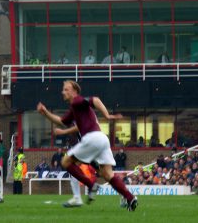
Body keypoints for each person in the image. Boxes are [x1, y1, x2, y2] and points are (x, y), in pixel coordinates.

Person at [37, 80, 138, 211]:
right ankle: (130, 198)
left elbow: (95, 100)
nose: (63, 92)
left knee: (66, 161)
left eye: (66, 89)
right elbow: (62, 121)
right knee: (107, 174)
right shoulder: (76, 108)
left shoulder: (77, 101)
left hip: (92, 139)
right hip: (102, 139)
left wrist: (107, 115)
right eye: (64, 89)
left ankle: (90, 186)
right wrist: (45, 112)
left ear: (74, 91)